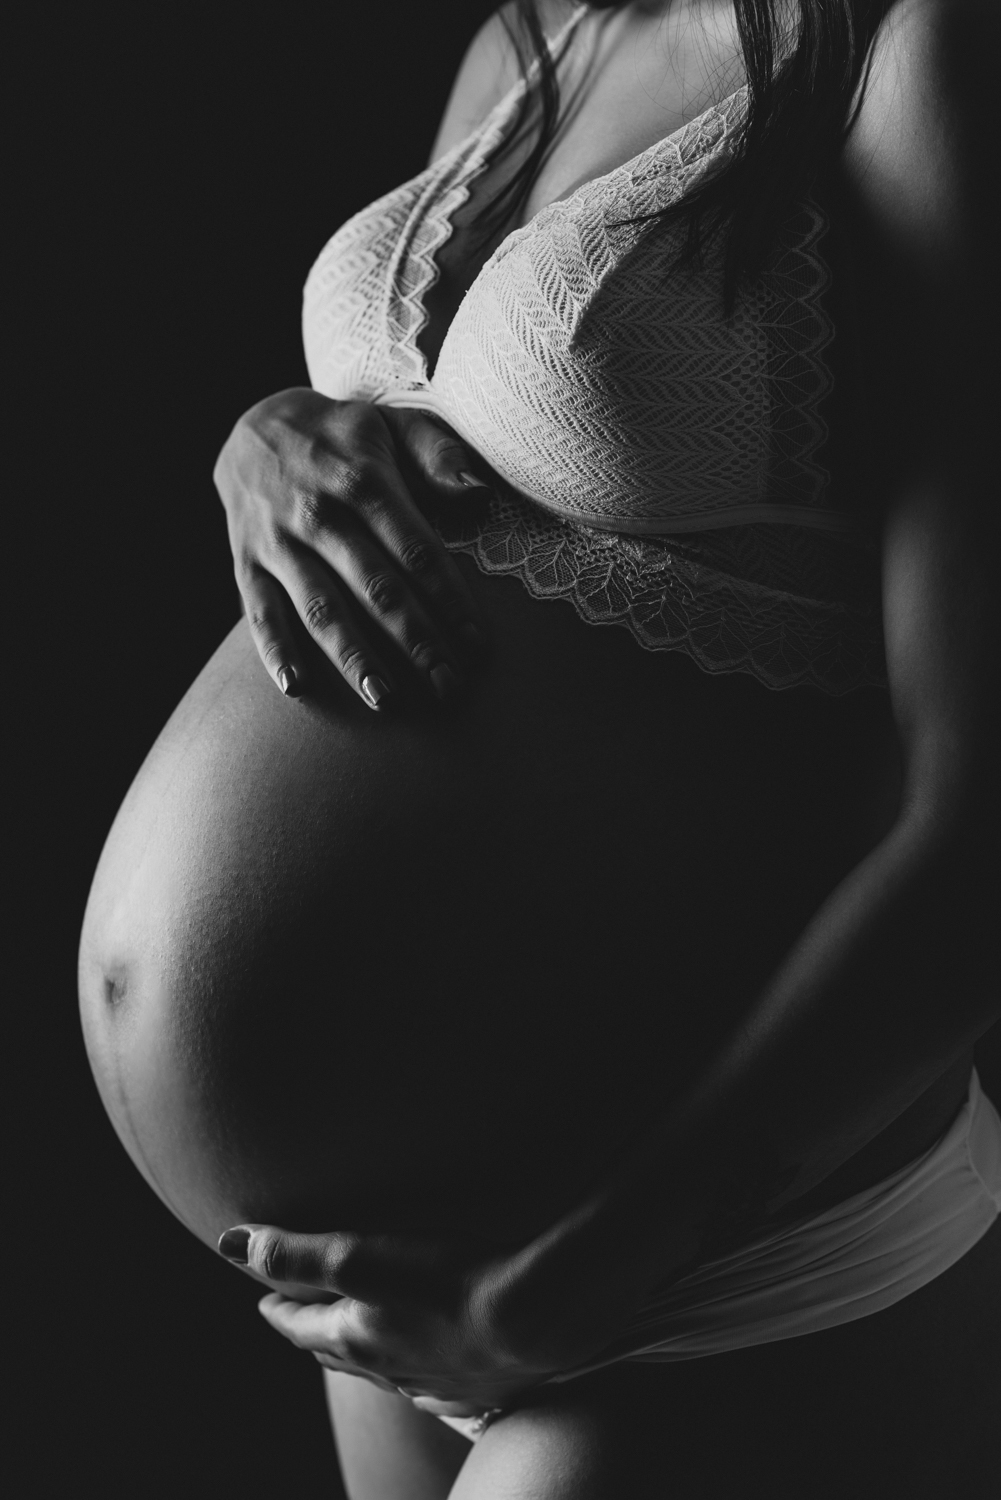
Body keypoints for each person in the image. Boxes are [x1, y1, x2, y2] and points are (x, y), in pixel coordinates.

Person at [78, 0, 999, 1495]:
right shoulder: (530, 34)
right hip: (394, 1292)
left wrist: (582, 1275)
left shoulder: (920, 47)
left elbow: (985, 823)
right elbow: (438, 422)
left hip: (688, 1272)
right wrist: (265, 432)